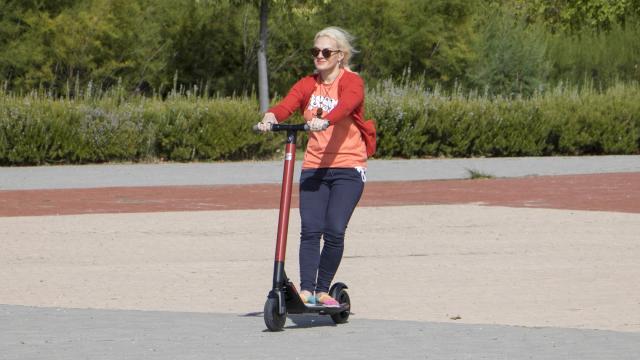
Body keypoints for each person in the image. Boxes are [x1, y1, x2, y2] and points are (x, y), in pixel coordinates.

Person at [256, 26, 375, 307]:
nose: (319, 56)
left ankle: (323, 289)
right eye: (315, 52)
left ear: (340, 56)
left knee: (334, 229)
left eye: (326, 52)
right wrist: (272, 116)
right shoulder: (308, 84)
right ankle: (307, 290)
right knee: (310, 229)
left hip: (348, 167)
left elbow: (348, 105)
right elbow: (289, 104)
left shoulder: (351, 82)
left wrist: (327, 120)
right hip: (314, 166)